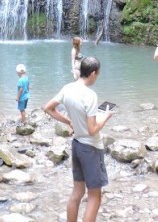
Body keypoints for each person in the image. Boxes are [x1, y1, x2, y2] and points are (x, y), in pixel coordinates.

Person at [43, 56, 113, 222]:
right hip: (91, 148)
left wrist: (69, 121)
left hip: (77, 145)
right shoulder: (90, 95)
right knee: (95, 196)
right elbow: (92, 129)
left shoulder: (68, 88)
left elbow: (48, 108)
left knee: (77, 192)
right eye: (98, 74)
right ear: (93, 73)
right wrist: (106, 116)